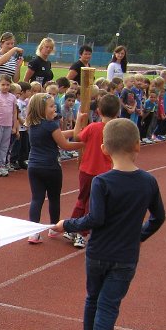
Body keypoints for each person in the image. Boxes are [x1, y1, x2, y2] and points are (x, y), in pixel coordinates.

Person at [54, 118, 165, 330]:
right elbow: (158, 217)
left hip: (98, 252)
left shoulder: (102, 182)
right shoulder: (148, 181)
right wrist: (139, 236)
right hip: (125, 256)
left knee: (93, 298)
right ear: (137, 145)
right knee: (108, 306)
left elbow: (95, 219)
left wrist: (67, 224)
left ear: (104, 149)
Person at [62, 94, 121, 248]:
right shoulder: (116, 130)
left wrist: (79, 120)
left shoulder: (93, 127)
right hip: (103, 173)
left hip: (86, 170)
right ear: (117, 112)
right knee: (92, 203)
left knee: (81, 199)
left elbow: (77, 137)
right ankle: (82, 234)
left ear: (99, 111)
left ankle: (71, 228)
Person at [24, 93, 84, 244]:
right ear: (41, 109)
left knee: (36, 198)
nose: (55, 108)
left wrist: (74, 131)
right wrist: (85, 144)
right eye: (51, 106)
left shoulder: (33, 125)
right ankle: (54, 227)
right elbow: (65, 145)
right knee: (54, 198)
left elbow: (58, 135)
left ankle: (33, 233)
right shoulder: (51, 125)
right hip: (51, 167)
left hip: (34, 166)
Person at [0, 75, 18, 177]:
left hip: (8, 125)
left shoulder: (12, 97)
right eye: (3, 85)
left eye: (7, 85)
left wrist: (14, 126)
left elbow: (14, 112)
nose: (5, 87)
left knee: (4, 146)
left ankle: (1, 164)